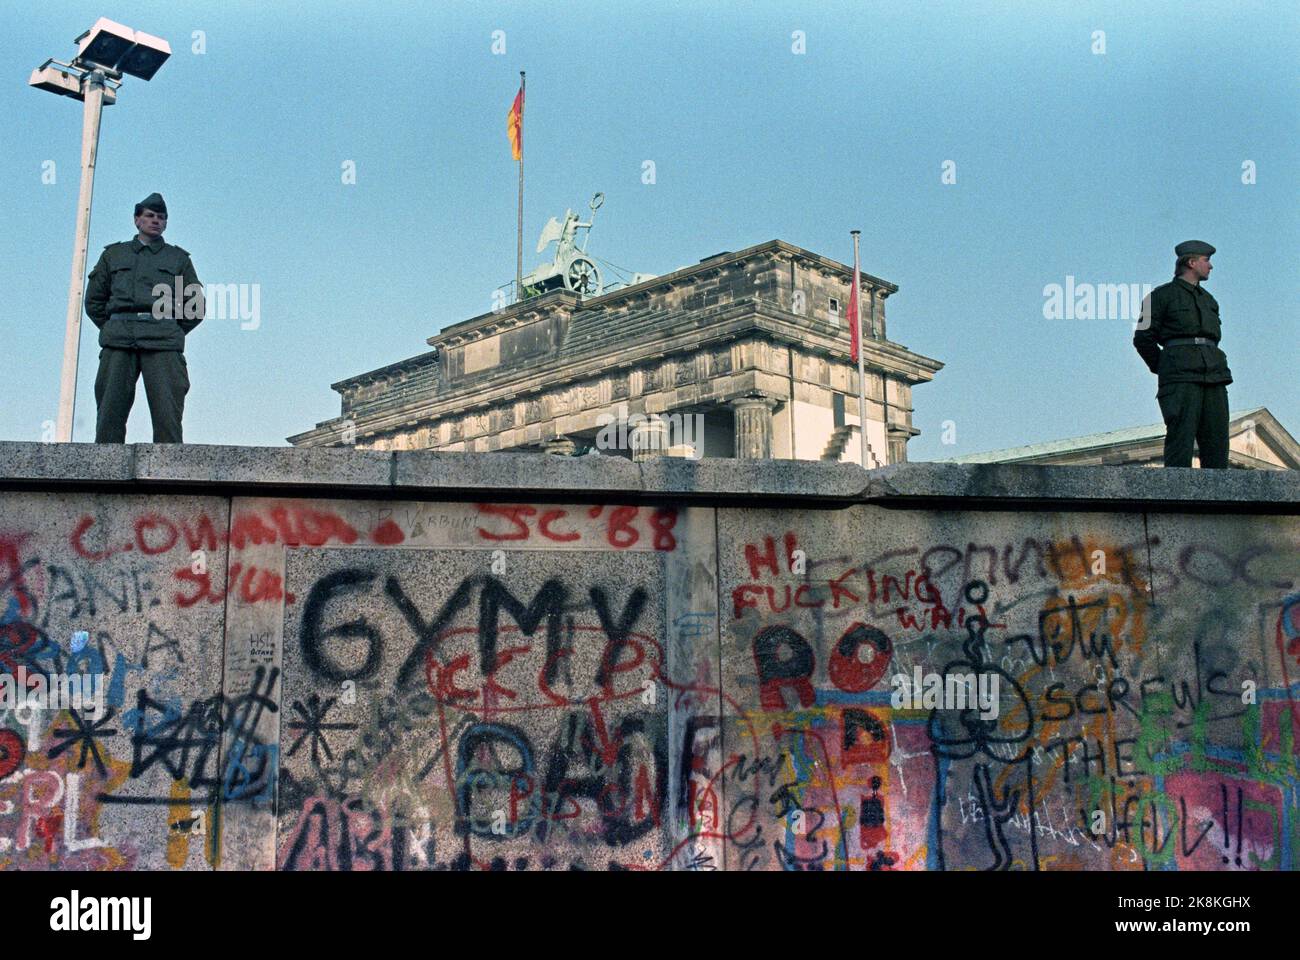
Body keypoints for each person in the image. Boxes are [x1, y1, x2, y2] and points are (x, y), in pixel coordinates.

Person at [84, 193, 203, 443]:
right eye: (150, 216)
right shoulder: (114, 255)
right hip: (119, 339)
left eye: (161, 217)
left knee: (168, 417)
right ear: (137, 220)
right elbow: (94, 301)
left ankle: (167, 477)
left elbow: (195, 306)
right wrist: (113, 326)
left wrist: (170, 328)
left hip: (162, 341)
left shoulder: (177, 259)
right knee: (109, 415)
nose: (156, 221)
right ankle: (106, 477)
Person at [1133, 240, 1232, 468]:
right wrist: (1167, 366)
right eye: (1206, 261)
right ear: (1191, 262)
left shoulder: (1209, 301)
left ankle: (1220, 501)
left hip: (1214, 376)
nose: (1211, 266)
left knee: (1217, 443)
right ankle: (1177, 503)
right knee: (1181, 440)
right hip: (1180, 378)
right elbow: (1142, 338)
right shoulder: (1158, 297)